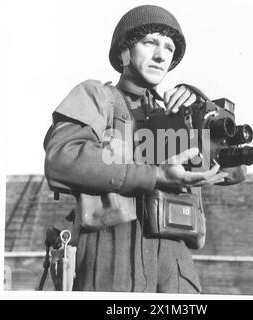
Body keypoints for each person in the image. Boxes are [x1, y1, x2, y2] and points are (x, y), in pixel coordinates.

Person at [44, 4, 228, 293]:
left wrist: (204, 110)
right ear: (123, 52)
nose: (161, 55)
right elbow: (61, 158)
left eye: (168, 47)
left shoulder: (179, 113)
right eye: (149, 42)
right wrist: (154, 176)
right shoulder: (98, 96)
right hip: (112, 259)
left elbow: (232, 168)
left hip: (174, 268)